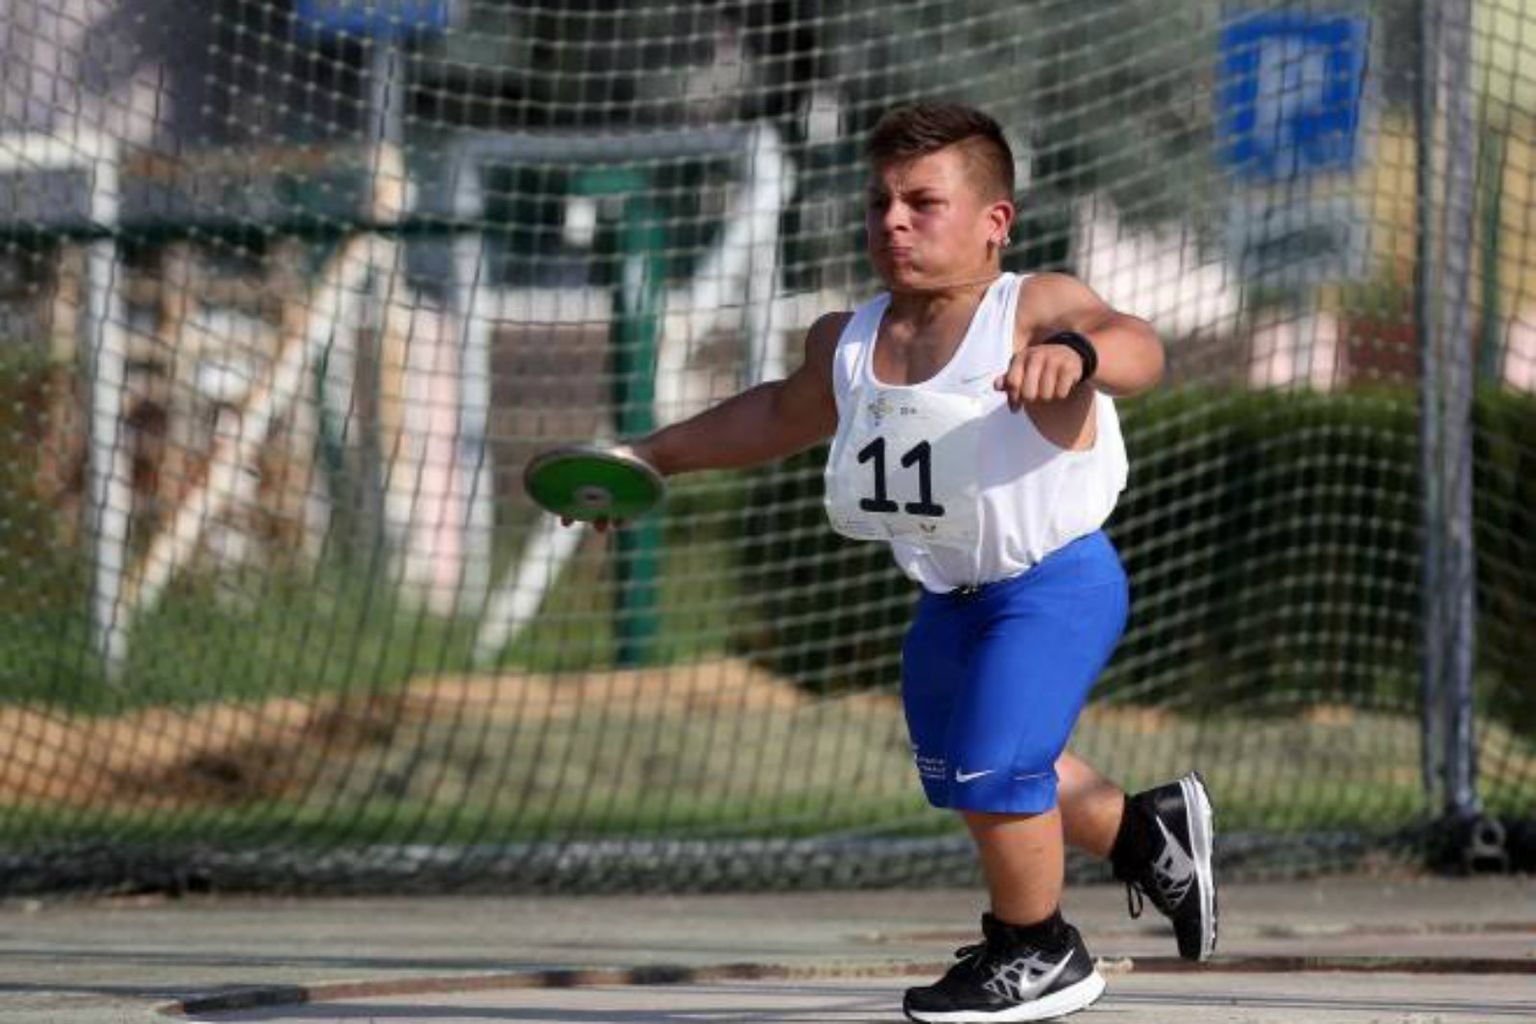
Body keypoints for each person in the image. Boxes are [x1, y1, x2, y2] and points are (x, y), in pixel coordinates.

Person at [568, 101, 1216, 1022]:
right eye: (878, 203)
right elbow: (774, 414)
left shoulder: (1032, 309)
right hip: (950, 598)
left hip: (1055, 583)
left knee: (997, 770)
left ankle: (1040, 949)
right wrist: (649, 459)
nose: (893, 222)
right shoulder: (850, 339)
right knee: (968, 767)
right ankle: (1151, 836)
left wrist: (1078, 355)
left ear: (995, 221)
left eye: (923, 202)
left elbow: (1138, 347)